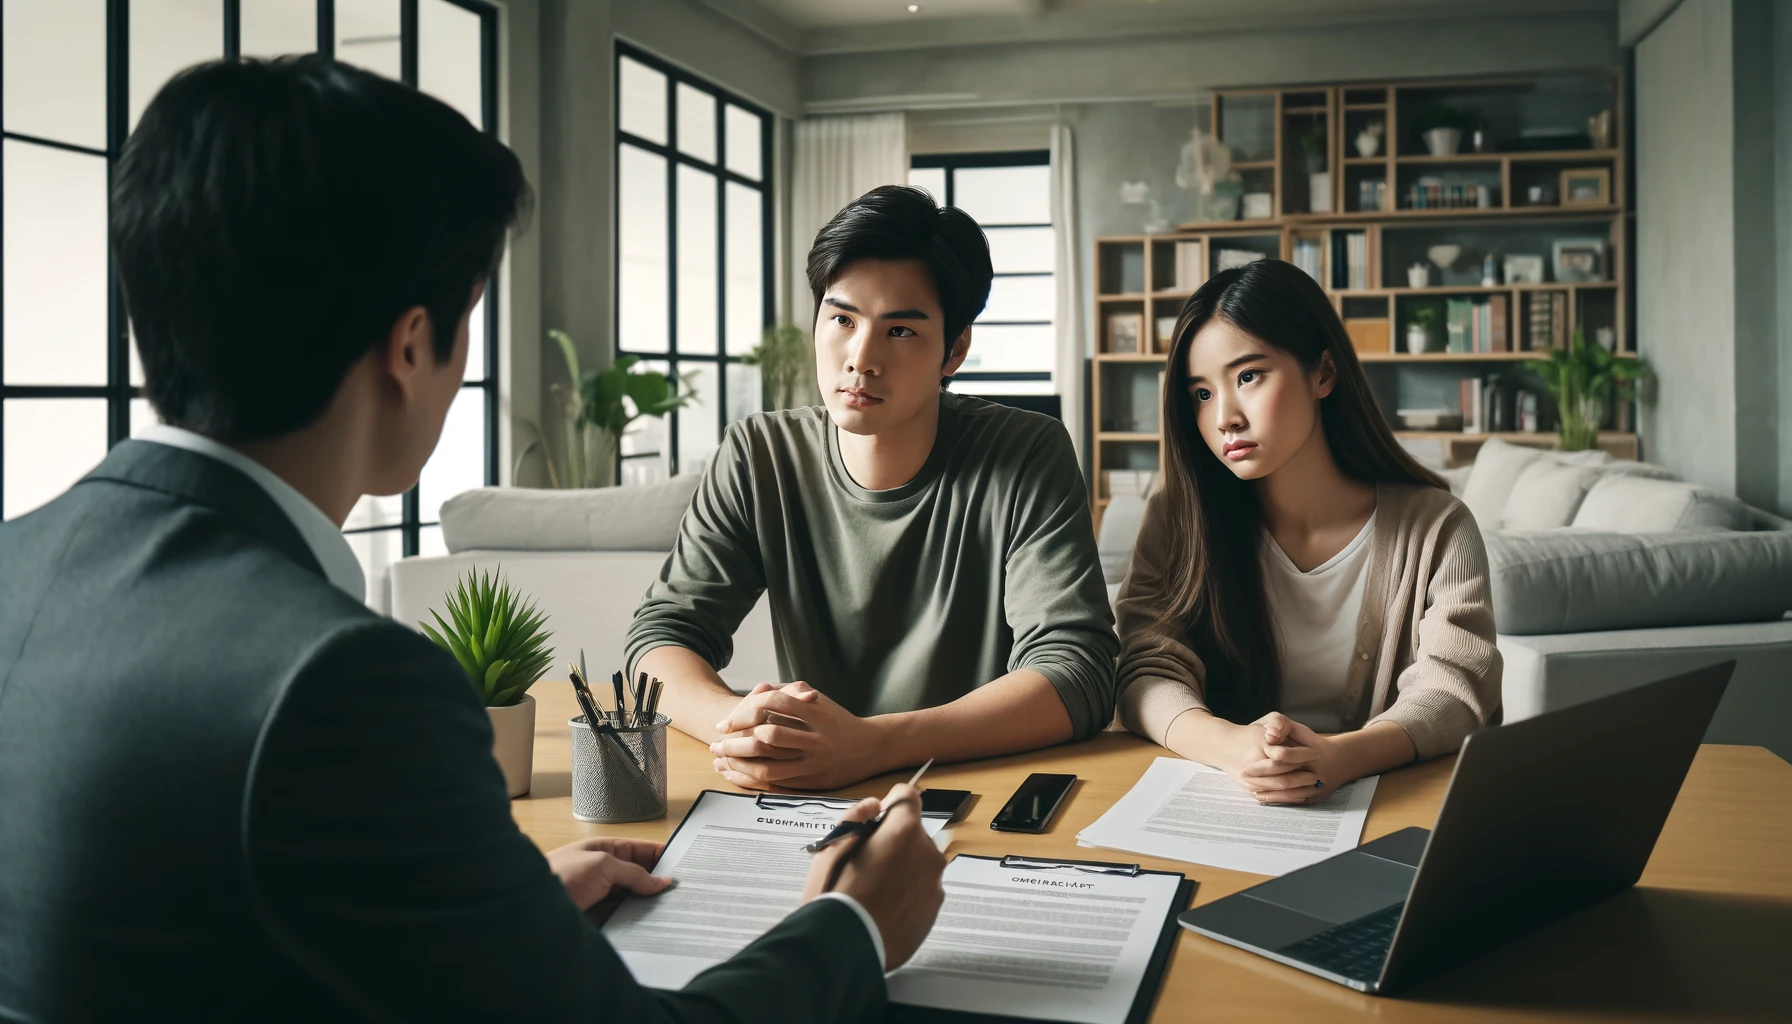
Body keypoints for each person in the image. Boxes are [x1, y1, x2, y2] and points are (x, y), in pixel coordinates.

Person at [0, 56, 943, 1022]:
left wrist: (491, 916)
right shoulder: (343, 685)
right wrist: (852, 927)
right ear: (412, 346)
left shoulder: (13, 565)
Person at [626, 185, 1117, 792]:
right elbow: (664, 634)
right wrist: (739, 728)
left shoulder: (1026, 453)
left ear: (955, 349)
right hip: (811, 793)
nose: (861, 358)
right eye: (842, 319)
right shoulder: (759, 454)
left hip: (974, 785)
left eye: (901, 331)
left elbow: (1078, 671)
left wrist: (874, 745)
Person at [1114, 259, 1501, 804]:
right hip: (1223, 803)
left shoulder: (1437, 526)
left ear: (1323, 373)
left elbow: (1456, 686)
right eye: (1202, 393)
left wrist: (1341, 757)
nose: (1225, 417)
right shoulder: (1178, 520)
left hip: (1389, 806)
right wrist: (1232, 747)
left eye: (1248, 376)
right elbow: (1145, 667)